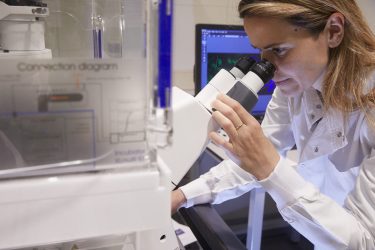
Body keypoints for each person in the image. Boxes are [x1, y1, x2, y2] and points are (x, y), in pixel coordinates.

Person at [172, 0, 375, 249]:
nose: (268, 71)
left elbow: (365, 242)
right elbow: (254, 158)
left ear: (333, 31)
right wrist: (182, 195)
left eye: (278, 50)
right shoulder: (297, 87)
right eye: (260, 52)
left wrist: (270, 169)